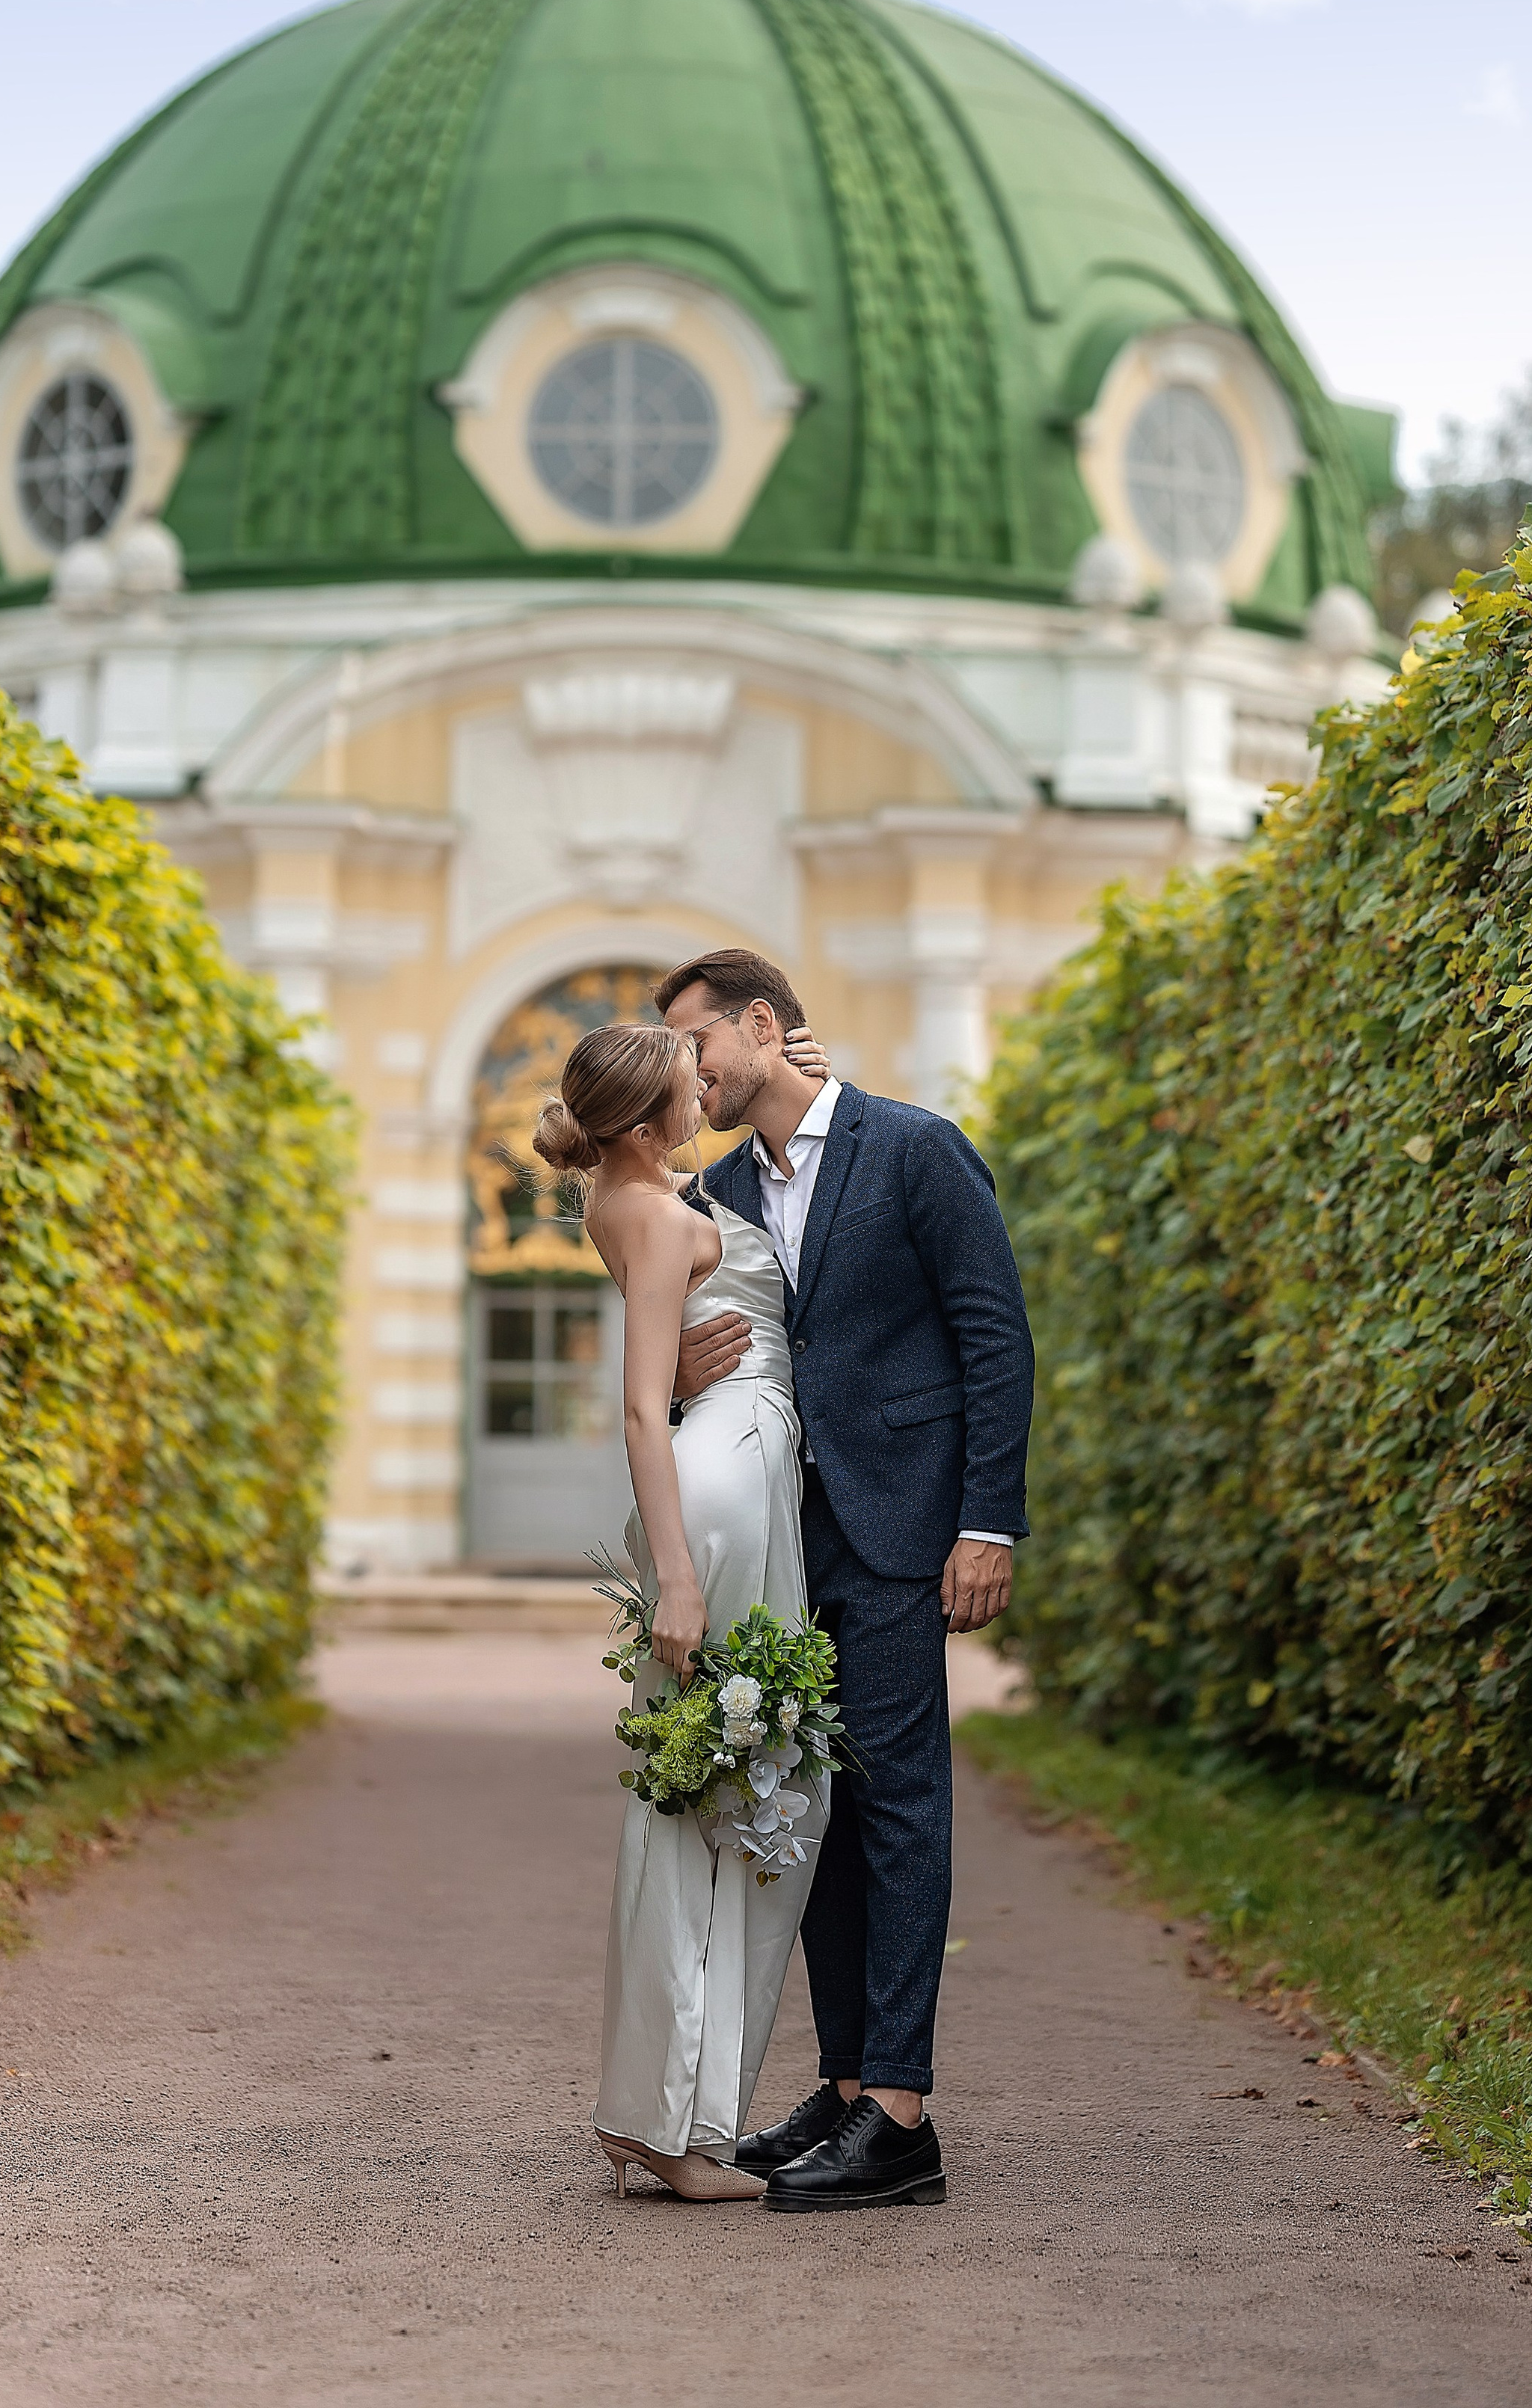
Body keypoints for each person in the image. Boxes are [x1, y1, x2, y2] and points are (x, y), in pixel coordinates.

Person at [657, 946, 1034, 2213]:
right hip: (781, 1537)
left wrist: (990, 1522)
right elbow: (706, 1352)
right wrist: (681, 1381)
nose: (688, 1074)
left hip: (902, 1529)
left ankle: (903, 2115)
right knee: (817, 1810)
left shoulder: (917, 1150)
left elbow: (994, 1335)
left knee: (902, 1805)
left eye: (697, 1046)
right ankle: (845, 2085)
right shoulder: (715, 1192)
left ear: (762, 1028)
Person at [535, 1019, 828, 2204]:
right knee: (736, 1789)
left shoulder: (637, 1191)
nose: (708, 1088)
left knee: (728, 1786)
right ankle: (670, 2126)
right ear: (653, 1122)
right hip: (719, 1493)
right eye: (689, 1083)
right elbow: (641, 1412)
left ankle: (668, 2113)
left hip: (740, 1466)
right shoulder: (655, 1212)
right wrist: (680, 1575)